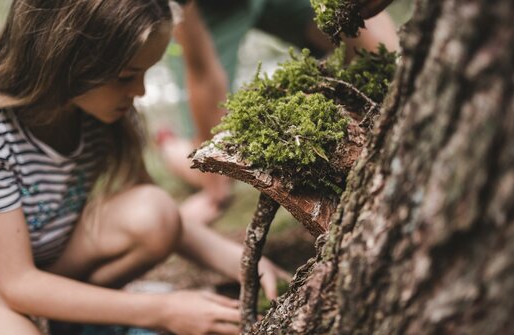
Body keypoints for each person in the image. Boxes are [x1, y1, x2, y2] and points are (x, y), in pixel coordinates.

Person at [0, 1, 289, 334]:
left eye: (145, 73)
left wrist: (246, 264)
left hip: (53, 262)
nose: (140, 91)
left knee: (152, 210)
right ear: (66, 57)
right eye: (126, 76)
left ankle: (68, 317)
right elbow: (16, 283)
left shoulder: (102, 112)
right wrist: (161, 311)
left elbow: (163, 219)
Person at [157, 0, 400, 223]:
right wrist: (215, 194)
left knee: (383, 61)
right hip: (208, 8)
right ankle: (168, 144)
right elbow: (202, 72)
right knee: (212, 162)